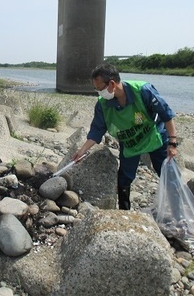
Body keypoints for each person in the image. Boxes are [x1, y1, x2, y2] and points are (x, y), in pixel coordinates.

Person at [72, 64, 178, 210]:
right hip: (130, 142)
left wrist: (172, 143)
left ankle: (179, 211)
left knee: (168, 174)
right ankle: (124, 211)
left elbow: (167, 115)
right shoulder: (103, 105)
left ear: (112, 84)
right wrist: (82, 151)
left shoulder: (143, 91)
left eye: (99, 89)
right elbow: (97, 130)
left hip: (154, 136)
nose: (98, 92)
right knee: (124, 178)